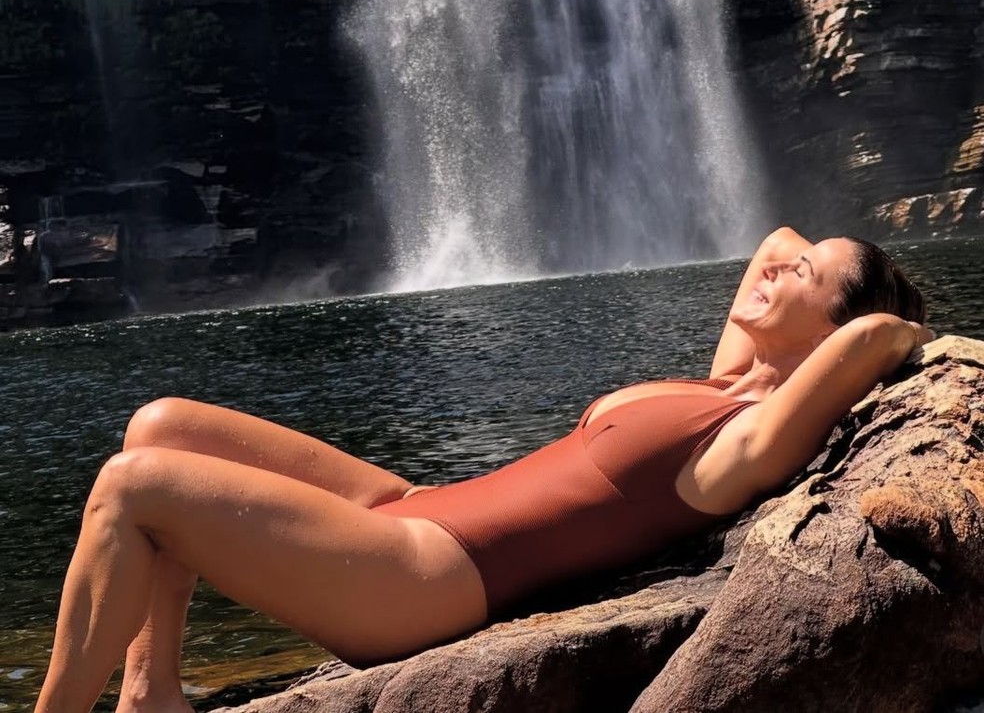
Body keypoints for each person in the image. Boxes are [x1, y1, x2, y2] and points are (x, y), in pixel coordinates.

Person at [33, 226, 931, 713]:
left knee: (131, 487)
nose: (778, 260)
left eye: (803, 269)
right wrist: (810, 268)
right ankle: (148, 694)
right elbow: (774, 240)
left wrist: (895, 325)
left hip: (425, 575)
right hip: (408, 503)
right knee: (158, 426)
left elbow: (870, 334)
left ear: (826, 336)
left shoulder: (742, 438)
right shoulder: (724, 379)